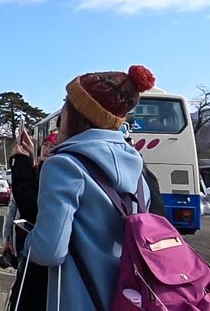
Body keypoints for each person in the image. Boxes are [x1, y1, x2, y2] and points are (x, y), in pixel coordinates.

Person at [25, 65, 157, 311]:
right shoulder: (138, 168)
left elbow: (48, 251)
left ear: (78, 112)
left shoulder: (64, 165)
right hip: (129, 299)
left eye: (66, 101)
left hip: (77, 299)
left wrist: (26, 241)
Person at [5, 130, 59, 311]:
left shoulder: (59, 173)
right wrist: (7, 239)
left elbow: (31, 206)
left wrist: (21, 163)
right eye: (46, 145)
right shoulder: (38, 169)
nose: (48, 150)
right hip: (25, 245)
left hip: (40, 256)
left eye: (53, 146)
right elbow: (14, 208)